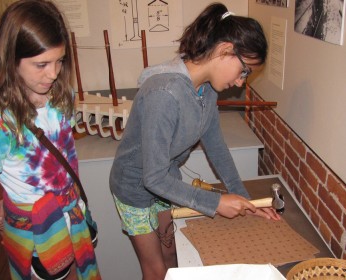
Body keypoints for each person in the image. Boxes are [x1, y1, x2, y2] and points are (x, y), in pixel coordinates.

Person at [109, 3, 281, 280]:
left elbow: (216, 146)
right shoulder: (164, 94)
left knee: (171, 257)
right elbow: (151, 178)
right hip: (134, 187)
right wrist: (215, 202)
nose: (240, 82)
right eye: (244, 70)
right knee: (155, 270)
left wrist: (246, 201)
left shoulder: (207, 90)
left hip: (165, 181)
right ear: (225, 50)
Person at [0, 1, 101, 279]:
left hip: (73, 215)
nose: (54, 73)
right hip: (35, 229)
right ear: (10, 59)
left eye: (60, 60)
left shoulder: (61, 96)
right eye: (41, 64)